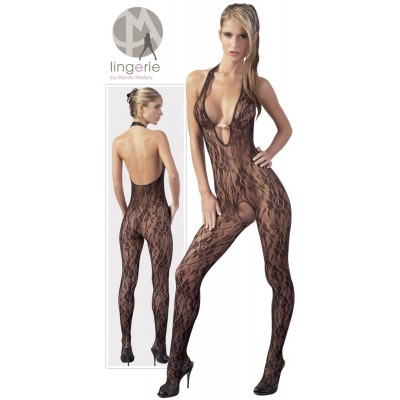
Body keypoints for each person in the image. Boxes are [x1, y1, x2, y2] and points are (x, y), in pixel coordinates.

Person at [158, 3, 294, 397]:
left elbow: (286, 128)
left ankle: (275, 360)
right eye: (229, 34)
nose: (235, 43)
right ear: (219, 35)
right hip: (228, 200)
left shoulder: (258, 85)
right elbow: (193, 139)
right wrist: (204, 192)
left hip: (264, 192)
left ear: (253, 40)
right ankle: (178, 361)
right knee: (186, 274)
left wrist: (270, 153)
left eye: (243, 36)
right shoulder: (196, 80)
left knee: (276, 275)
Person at [112, 87, 180, 366]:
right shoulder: (157, 137)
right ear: (142, 108)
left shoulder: (119, 142)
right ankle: (159, 347)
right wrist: (175, 204)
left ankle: (126, 345)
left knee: (128, 280)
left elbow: (117, 186)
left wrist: (127, 214)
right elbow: (172, 174)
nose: (161, 113)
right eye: (157, 107)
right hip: (156, 216)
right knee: (160, 282)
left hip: (132, 218)